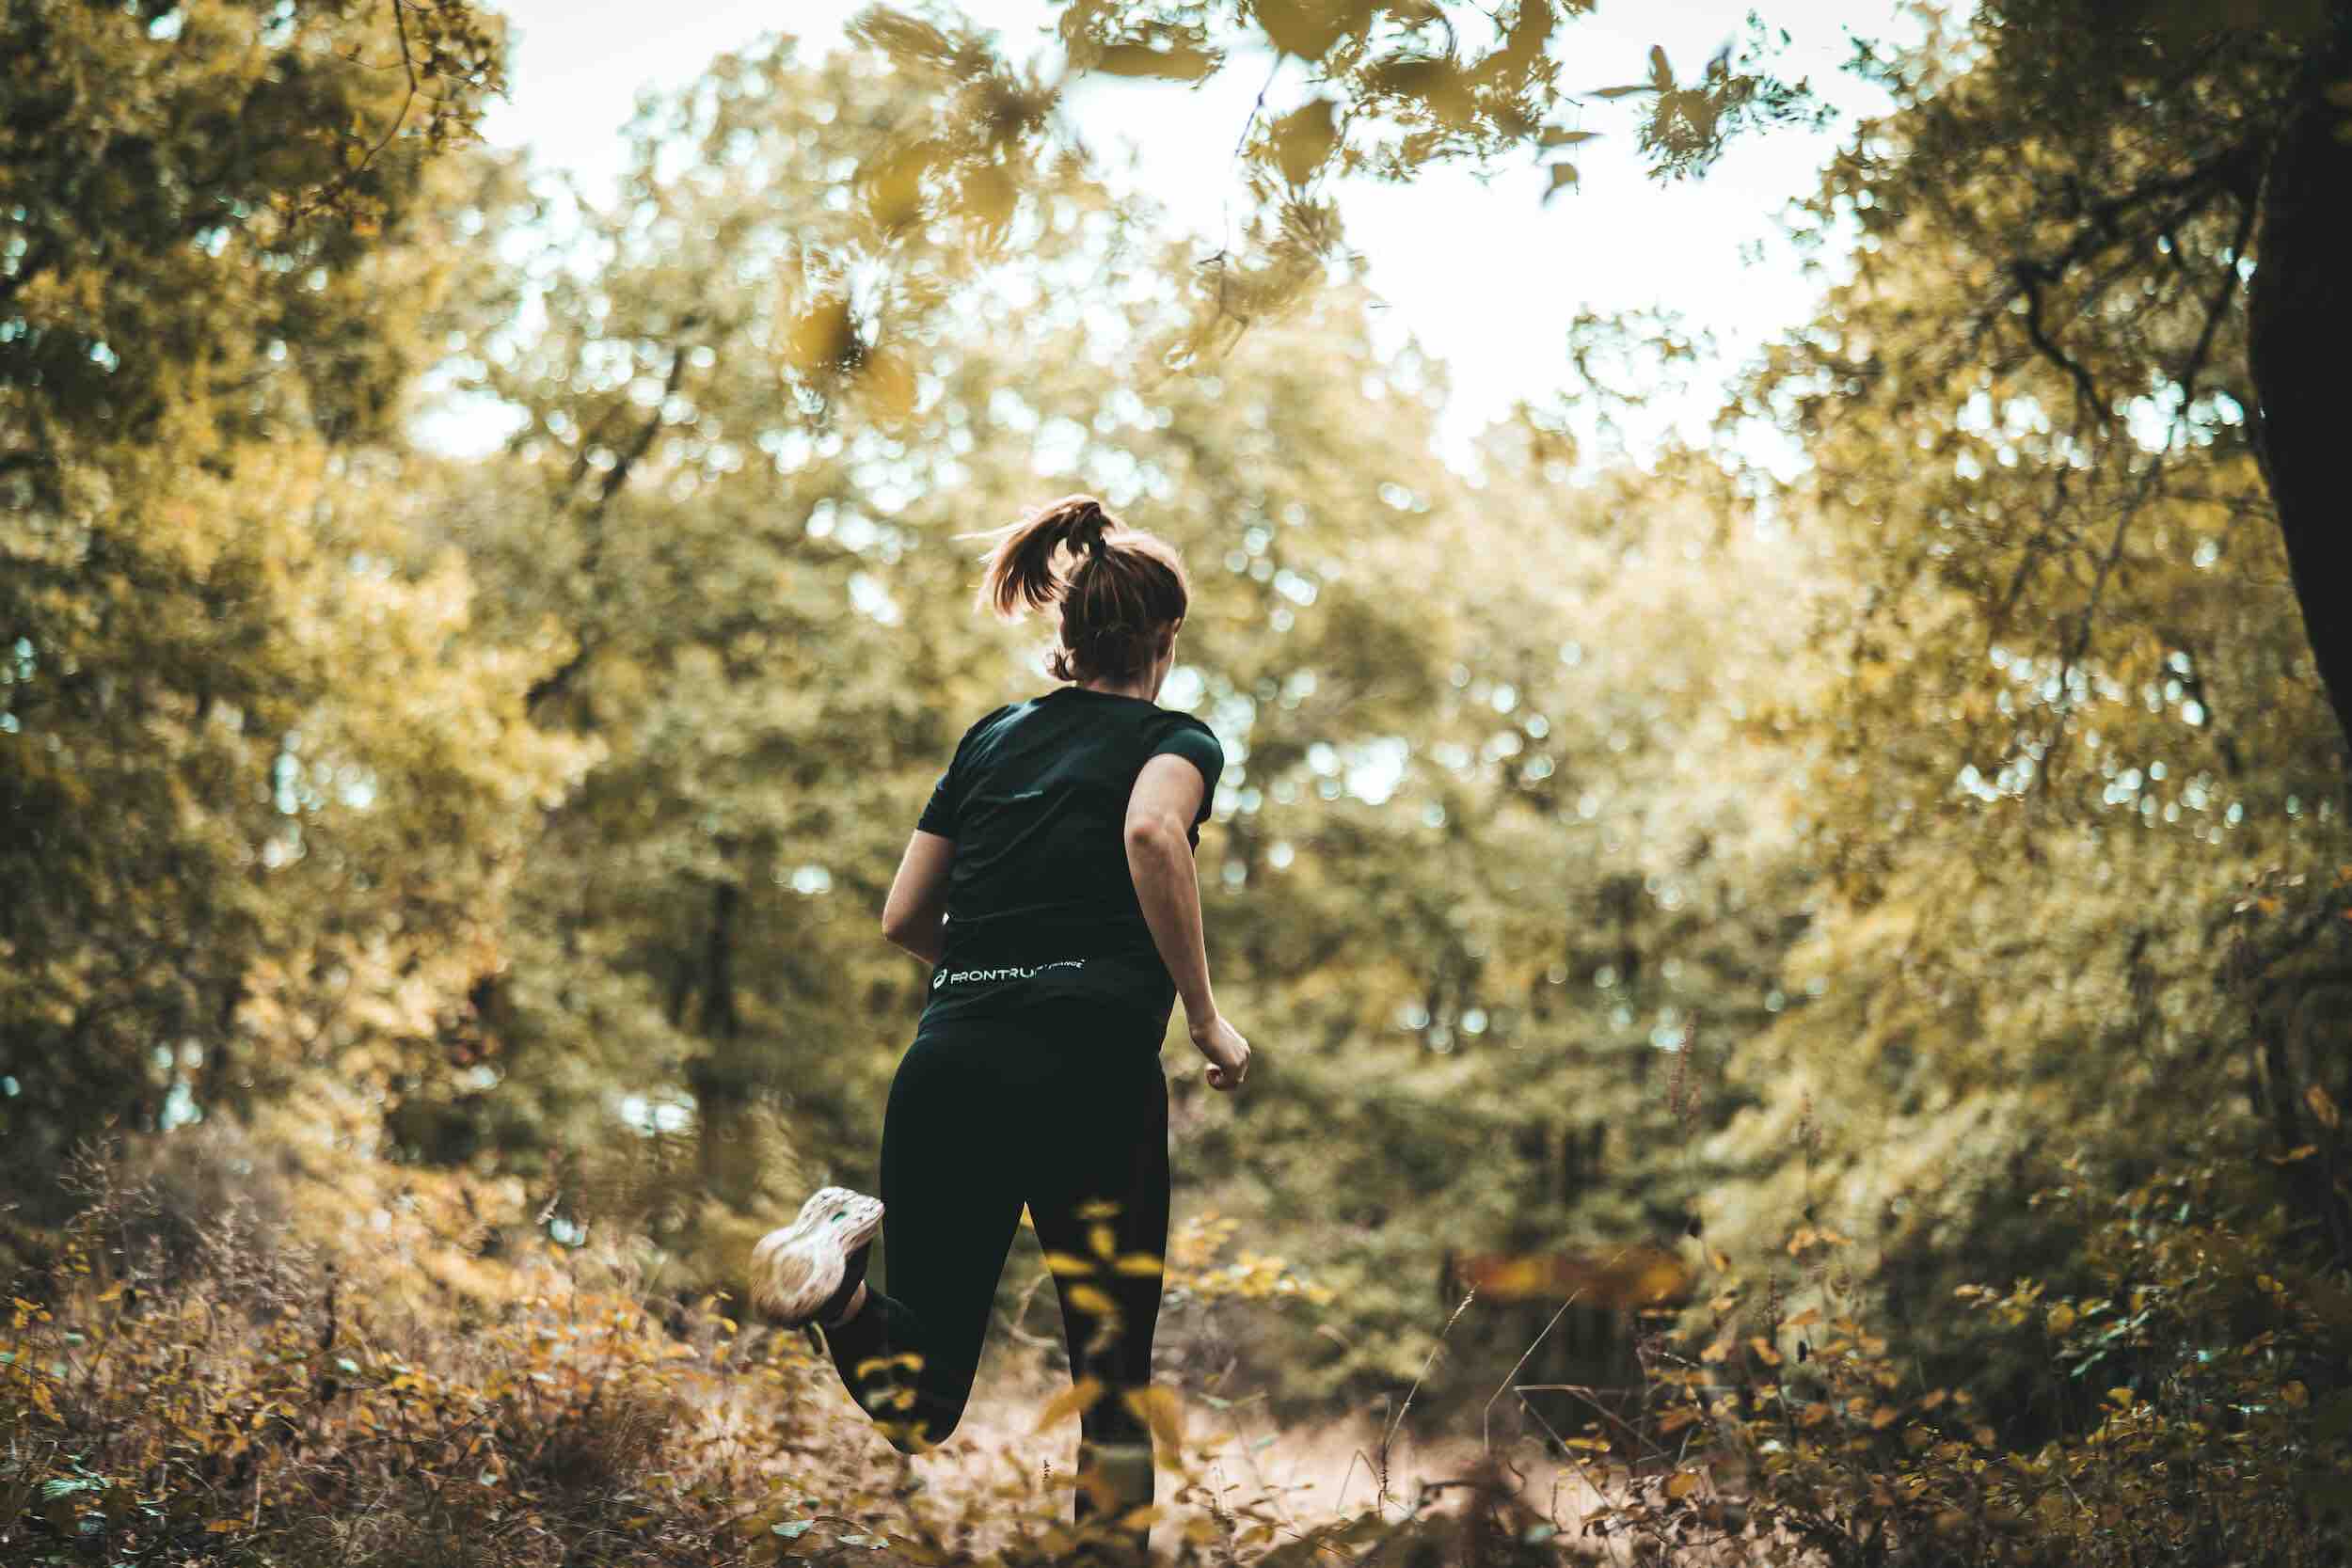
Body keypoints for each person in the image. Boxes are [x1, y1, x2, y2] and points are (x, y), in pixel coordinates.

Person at [748, 493, 1252, 1552]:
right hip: (1088, 1079)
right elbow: (1154, 831)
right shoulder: (1178, 739)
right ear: (1164, 640)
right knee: (1110, 1383)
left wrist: (997, 974)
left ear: (1065, 641)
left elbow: (902, 917)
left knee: (917, 1402)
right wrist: (1203, 1015)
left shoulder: (991, 740)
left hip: (951, 1063)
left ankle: (835, 1281)